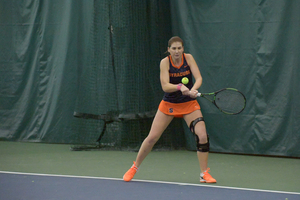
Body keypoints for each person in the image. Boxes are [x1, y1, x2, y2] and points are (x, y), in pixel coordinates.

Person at [123, 36, 216, 183]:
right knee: (152, 138)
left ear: (183, 49)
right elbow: (165, 86)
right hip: (169, 105)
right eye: (174, 48)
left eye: (179, 48)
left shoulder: (189, 58)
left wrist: (193, 89)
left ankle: (204, 173)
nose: (177, 51)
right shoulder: (165, 63)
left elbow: (198, 78)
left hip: (189, 104)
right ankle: (135, 167)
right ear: (169, 50)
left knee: (202, 136)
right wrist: (179, 87)